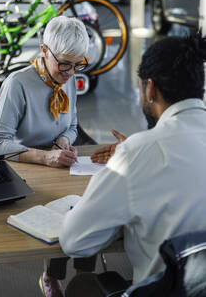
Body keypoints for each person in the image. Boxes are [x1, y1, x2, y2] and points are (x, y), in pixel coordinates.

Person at [58, 32, 206, 289]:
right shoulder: (140, 151)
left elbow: (75, 242)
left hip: (164, 291)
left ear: (150, 88)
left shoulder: (137, 154)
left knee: (81, 286)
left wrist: (132, 156)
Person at [0, 15, 96, 297]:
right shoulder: (18, 84)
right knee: (56, 213)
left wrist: (62, 140)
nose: (71, 73)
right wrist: (45, 157)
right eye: (64, 64)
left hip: (59, 165)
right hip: (25, 167)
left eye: (78, 64)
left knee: (87, 207)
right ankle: (51, 277)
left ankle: (84, 277)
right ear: (44, 51)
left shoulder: (68, 79)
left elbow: (72, 126)